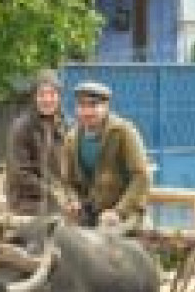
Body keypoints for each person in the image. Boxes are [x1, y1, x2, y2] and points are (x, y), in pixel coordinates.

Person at [62, 80, 151, 228]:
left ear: (106, 107)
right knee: (63, 238)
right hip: (89, 212)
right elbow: (68, 181)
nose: (87, 112)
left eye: (93, 105)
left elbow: (141, 176)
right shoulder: (72, 139)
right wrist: (72, 200)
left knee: (104, 242)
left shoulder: (123, 132)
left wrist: (118, 212)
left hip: (125, 213)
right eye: (82, 106)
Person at [4, 68, 68, 215]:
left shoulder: (66, 125)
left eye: (52, 94)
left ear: (59, 97)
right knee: (57, 217)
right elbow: (20, 173)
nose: (47, 100)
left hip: (58, 195)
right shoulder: (22, 128)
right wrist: (52, 192)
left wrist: (69, 193)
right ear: (34, 97)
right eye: (42, 95)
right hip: (27, 200)